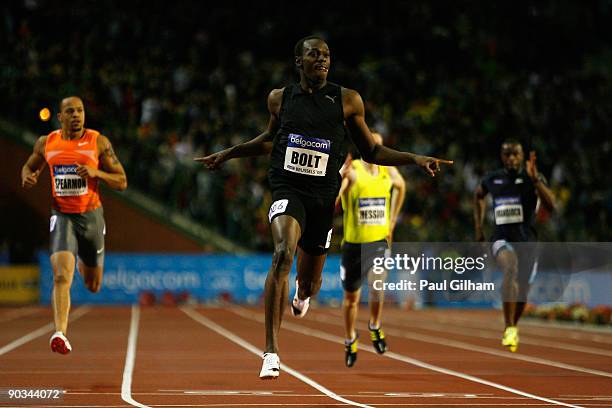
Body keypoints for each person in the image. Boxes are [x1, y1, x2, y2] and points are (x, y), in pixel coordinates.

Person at [195, 35, 452, 379]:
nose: (322, 59)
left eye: (327, 54)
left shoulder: (346, 100)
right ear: (298, 62)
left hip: (322, 199)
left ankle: (302, 295)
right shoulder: (279, 99)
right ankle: (271, 352)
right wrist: (228, 153)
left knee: (310, 283)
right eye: (314, 54)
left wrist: (414, 158)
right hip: (288, 188)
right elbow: (270, 141)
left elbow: (371, 152)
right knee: (284, 252)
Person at [21, 96, 127, 354]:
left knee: (93, 284)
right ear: (60, 117)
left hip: (91, 217)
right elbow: (28, 166)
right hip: (62, 216)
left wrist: (97, 173)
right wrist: (27, 175)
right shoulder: (47, 143)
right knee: (60, 276)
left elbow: (122, 181)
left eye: (80, 110)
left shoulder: (98, 142)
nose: (77, 115)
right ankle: (60, 333)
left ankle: (83, 259)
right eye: (71, 111)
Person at [474, 139, 555, 352]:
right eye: (507, 154)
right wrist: (479, 228)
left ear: (521, 156)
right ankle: (508, 326)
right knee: (510, 267)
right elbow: (478, 195)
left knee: (523, 289)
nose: (511, 158)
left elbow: (552, 205)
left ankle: (514, 326)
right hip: (501, 238)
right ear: (502, 157)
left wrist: (536, 179)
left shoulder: (532, 178)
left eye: (515, 154)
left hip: (527, 240)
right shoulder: (493, 178)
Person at [336, 132, 406, 367]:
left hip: (378, 242)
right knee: (351, 300)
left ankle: (375, 325)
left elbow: (401, 186)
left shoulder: (388, 170)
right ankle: (349, 339)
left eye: (379, 145)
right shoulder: (354, 170)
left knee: (378, 286)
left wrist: (393, 220)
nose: (376, 148)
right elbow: (336, 199)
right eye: (372, 144)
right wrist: (339, 178)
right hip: (354, 246)